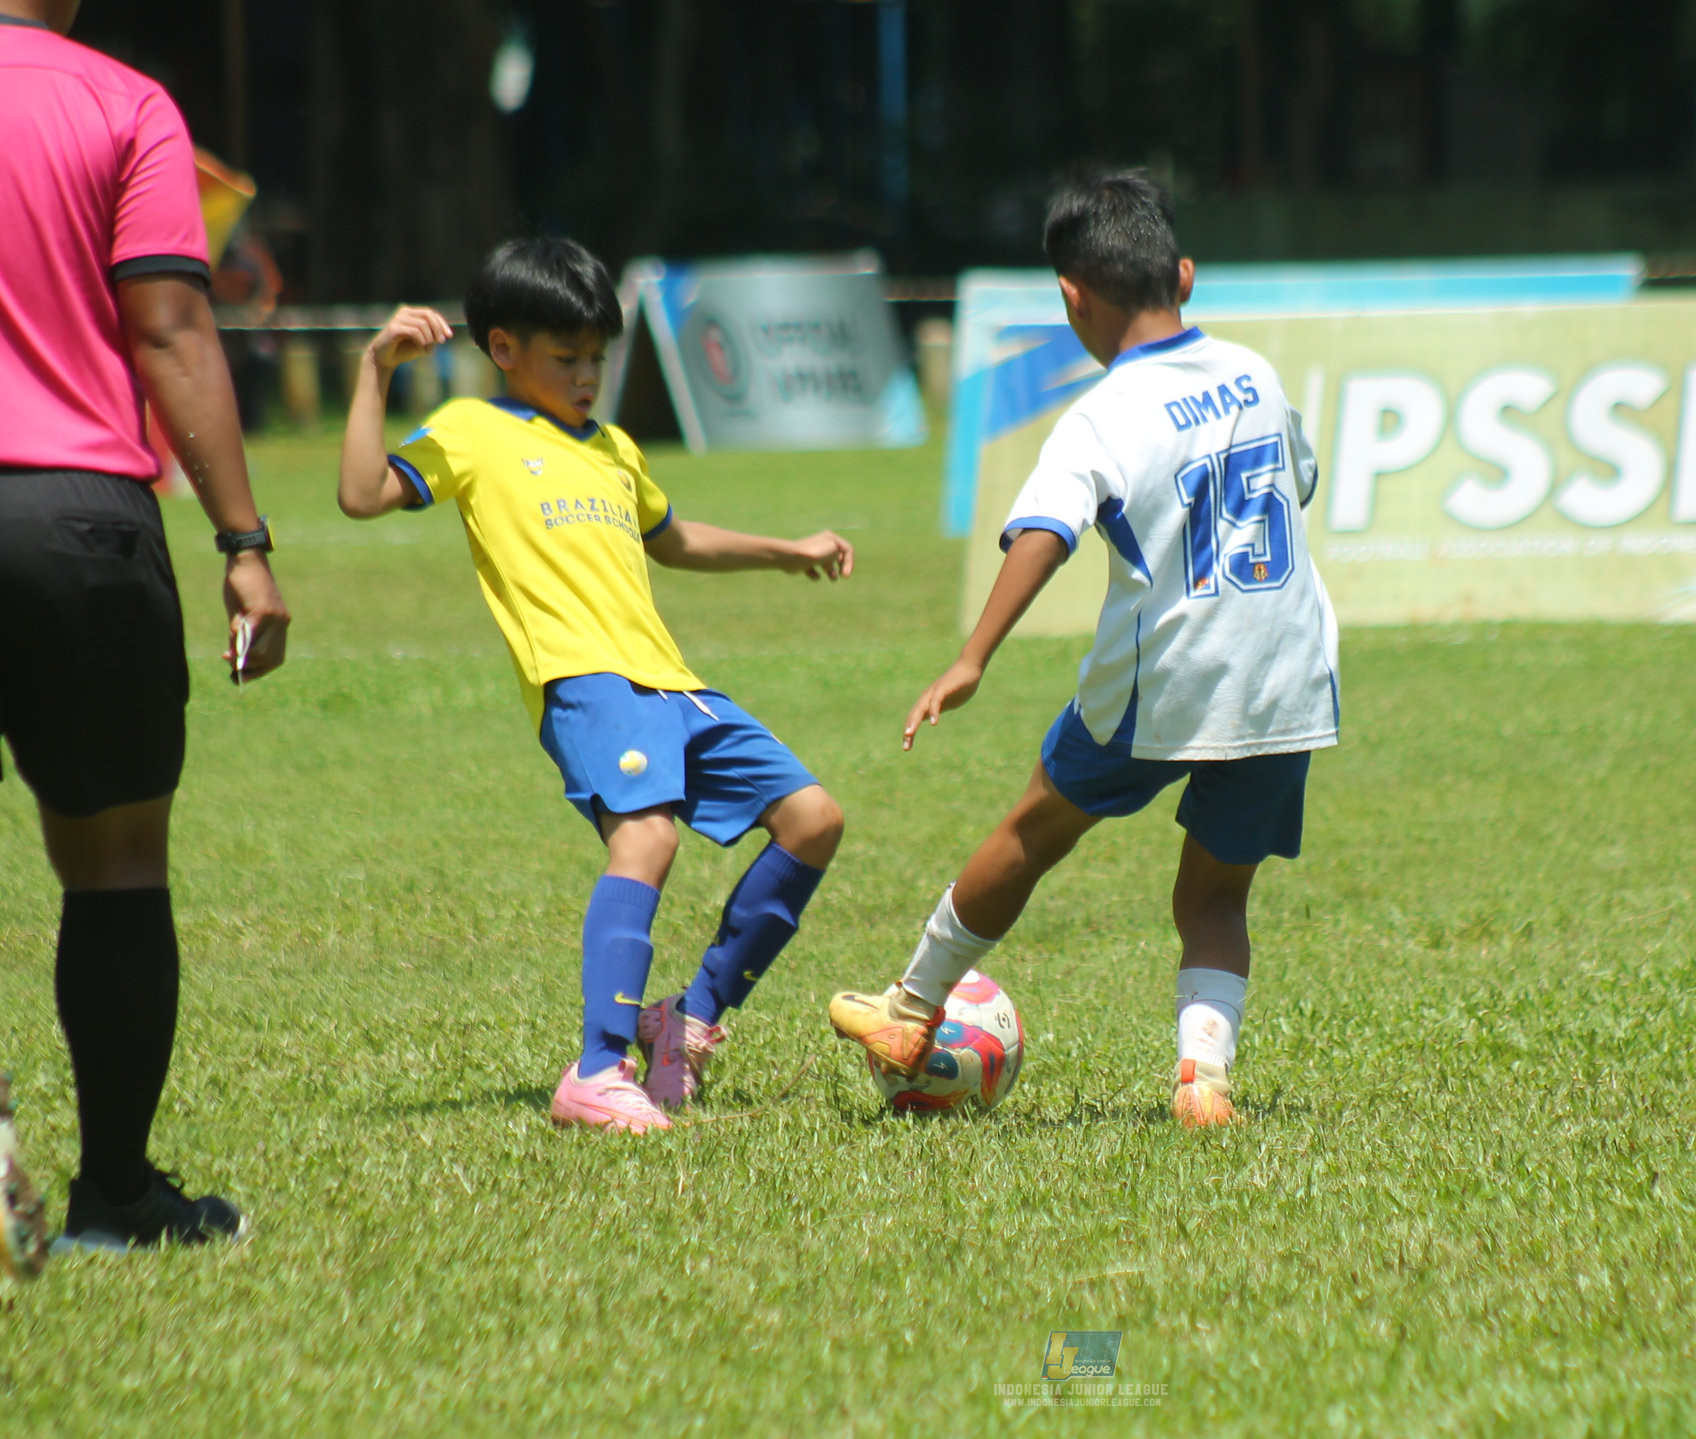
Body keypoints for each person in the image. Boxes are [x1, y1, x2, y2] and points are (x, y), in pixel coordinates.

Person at [826, 171, 1340, 1127]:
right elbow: (1298, 481)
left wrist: (973, 656)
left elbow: (1045, 531)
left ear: (1072, 297)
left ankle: (911, 1008)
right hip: (1286, 676)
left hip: (1167, 676)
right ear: (1184, 276)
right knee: (1216, 892)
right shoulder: (1256, 374)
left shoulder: (1104, 413)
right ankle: (1204, 1079)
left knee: (1035, 829)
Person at [338, 238, 851, 1132]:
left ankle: (688, 1018)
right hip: (585, 682)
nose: (586, 376)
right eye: (565, 357)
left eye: (596, 359)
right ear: (504, 348)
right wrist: (374, 370)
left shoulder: (613, 446)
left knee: (814, 819)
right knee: (646, 837)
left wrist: (786, 550)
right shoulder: (472, 431)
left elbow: (673, 537)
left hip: (672, 683)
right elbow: (362, 492)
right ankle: (597, 1067)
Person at [0, 0, 291, 1252]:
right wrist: (243, 541)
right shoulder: (121, 103)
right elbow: (168, 326)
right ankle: (114, 1196)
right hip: (78, 520)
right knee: (116, 860)